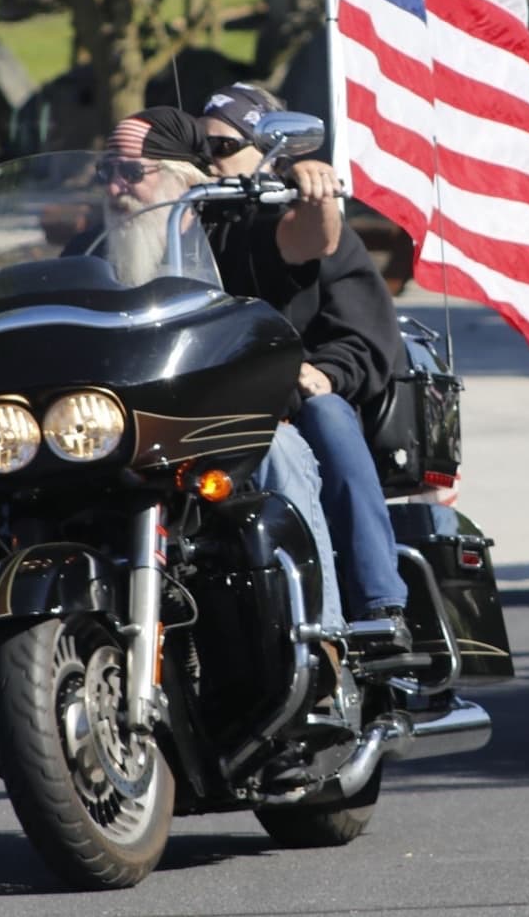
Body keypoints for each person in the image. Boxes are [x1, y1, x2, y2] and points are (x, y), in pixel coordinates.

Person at [90, 108, 345, 633]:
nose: (117, 187)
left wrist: (315, 190)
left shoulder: (235, 230)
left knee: (282, 451)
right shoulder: (91, 252)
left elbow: (311, 242)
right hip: (117, 431)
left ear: (186, 177)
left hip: (218, 426)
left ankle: (322, 637)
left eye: (134, 173)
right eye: (106, 172)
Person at [199, 84, 412, 658]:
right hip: (196, 401)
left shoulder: (277, 215)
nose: (206, 159)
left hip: (300, 390)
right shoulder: (166, 222)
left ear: (269, 153)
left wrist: (314, 189)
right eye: (197, 146)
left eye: (221, 145)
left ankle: (378, 605)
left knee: (326, 414)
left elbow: (311, 245)